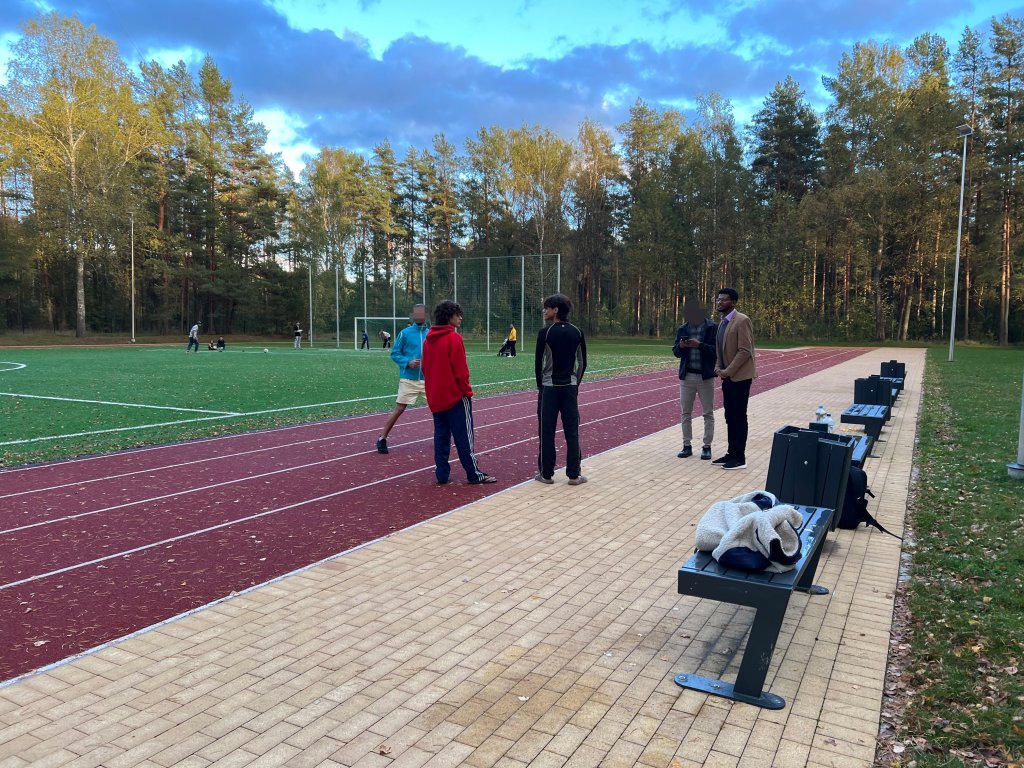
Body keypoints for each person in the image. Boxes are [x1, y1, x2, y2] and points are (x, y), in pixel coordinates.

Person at [421, 300, 496, 485]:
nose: (460, 318)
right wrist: (467, 392)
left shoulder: (428, 340)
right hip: (455, 397)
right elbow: (461, 371)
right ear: (449, 317)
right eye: (457, 314)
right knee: (464, 437)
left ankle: (441, 474)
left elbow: (424, 368)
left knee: (441, 436)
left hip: (436, 397)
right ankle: (474, 474)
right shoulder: (454, 338)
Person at [535, 293, 587, 486]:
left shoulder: (545, 333)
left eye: (547, 308)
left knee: (546, 431)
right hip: (570, 388)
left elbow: (538, 363)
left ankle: (546, 474)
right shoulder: (578, 332)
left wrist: (541, 386)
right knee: (572, 431)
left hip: (549, 389)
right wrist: (575, 383)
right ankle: (574, 475)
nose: (544, 311)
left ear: (556, 310)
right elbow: (582, 362)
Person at [713, 287, 757, 470]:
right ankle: (731, 453)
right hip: (728, 377)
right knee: (729, 416)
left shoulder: (742, 320)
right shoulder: (722, 322)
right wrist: (718, 367)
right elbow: (720, 349)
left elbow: (745, 351)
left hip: (739, 377)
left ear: (733, 302)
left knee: (739, 416)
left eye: (723, 299)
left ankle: (740, 457)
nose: (719, 302)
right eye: (718, 299)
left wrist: (728, 371)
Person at [376, 305, 428, 454]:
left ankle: (443, 438)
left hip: (428, 380)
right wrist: (407, 362)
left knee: (438, 409)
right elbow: (395, 353)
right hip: (408, 379)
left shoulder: (431, 333)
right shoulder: (404, 333)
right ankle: (382, 438)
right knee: (399, 409)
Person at [673, 300, 717, 460]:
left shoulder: (712, 327)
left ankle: (707, 447)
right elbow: (676, 352)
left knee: (708, 413)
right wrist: (681, 346)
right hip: (687, 377)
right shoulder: (683, 329)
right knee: (685, 413)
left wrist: (699, 345)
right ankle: (687, 445)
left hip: (706, 377)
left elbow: (716, 351)